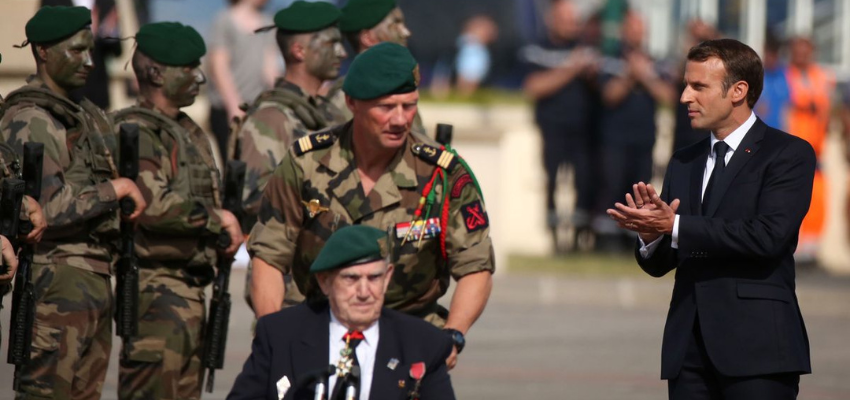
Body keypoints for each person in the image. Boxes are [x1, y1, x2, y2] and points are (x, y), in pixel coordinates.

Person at [248, 43, 494, 369]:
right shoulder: (306, 162)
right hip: (317, 329)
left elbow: (476, 266)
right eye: (386, 107)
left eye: (409, 106)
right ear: (352, 103)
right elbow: (268, 255)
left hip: (407, 333)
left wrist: (454, 335)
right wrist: (275, 335)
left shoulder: (443, 174)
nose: (400, 119)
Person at [608, 38, 814, 400]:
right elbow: (664, 263)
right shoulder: (683, 161)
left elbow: (768, 236)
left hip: (758, 352)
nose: (685, 96)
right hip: (688, 351)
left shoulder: (788, 154)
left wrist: (673, 227)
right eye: (686, 85)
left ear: (738, 91)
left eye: (698, 86)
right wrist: (650, 236)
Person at [0, 6, 147, 399]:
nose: (89, 61)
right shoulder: (32, 116)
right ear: (44, 51)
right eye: (77, 51)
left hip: (93, 278)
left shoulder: (86, 114)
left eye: (90, 50)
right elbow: (49, 208)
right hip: (55, 283)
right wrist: (115, 190)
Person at [112, 22, 244, 400]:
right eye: (187, 68)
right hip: (155, 295)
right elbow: (150, 204)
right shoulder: (137, 131)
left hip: (186, 290)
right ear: (155, 73)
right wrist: (218, 220)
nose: (199, 76)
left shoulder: (181, 129)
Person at [228, 225, 455, 400]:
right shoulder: (281, 335)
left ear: (387, 278)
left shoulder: (423, 344)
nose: (364, 292)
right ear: (325, 282)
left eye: (374, 278)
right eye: (351, 278)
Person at [234, 0, 349, 309]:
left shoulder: (323, 113)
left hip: (324, 278)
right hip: (287, 285)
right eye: (331, 44)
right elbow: (256, 197)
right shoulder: (272, 117)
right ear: (299, 51)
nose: (342, 52)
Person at [594, 10, 675, 252]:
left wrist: (645, 75)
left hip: (644, 138)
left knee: (640, 190)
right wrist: (630, 75)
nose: (636, 34)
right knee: (611, 186)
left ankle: (634, 240)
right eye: (631, 29)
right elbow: (609, 95)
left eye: (640, 29)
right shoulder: (609, 60)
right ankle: (606, 242)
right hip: (614, 138)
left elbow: (668, 96)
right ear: (623, 32)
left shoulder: (657, 62)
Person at [520, 0, 596, 252]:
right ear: (552, 19)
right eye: (566, 19)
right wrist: (571, 68)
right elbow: (533, 86)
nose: (572, 25)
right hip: (552, 128)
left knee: (584, 182)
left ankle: (579, 240)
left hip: (584, 129)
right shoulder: (537, 48)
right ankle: (554, 239)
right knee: (552, 181)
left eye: (574, 20)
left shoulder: (587, 49)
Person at [329, 0, 425, 134]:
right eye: (395, 24)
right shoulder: (347, 99)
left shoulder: (402, 91)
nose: (406, 32)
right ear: (368, 38)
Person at [207, 0, 278, 163]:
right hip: (227, 109)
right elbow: (219, 66)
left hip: (257, 108)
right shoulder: (224, 20)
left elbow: (270, 68)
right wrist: (234, 106)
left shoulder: (267, 22)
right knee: (234, 168)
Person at [784, 36, 833, 264]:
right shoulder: (784, 77)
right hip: (791, 148)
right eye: (797, 51)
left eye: (805, 51)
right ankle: (792, 248)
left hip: (816, 149)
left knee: (818, 199)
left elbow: (827, 108)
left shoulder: (821, 77)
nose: (801, 56)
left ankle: (810, 251)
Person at [454, 14, 498, 98]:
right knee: (463, 80)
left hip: (475, 65)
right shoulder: (467, 43)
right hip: (466, 64)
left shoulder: (481, 49)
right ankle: (462, 94)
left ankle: (469, 95)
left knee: (473, 82)